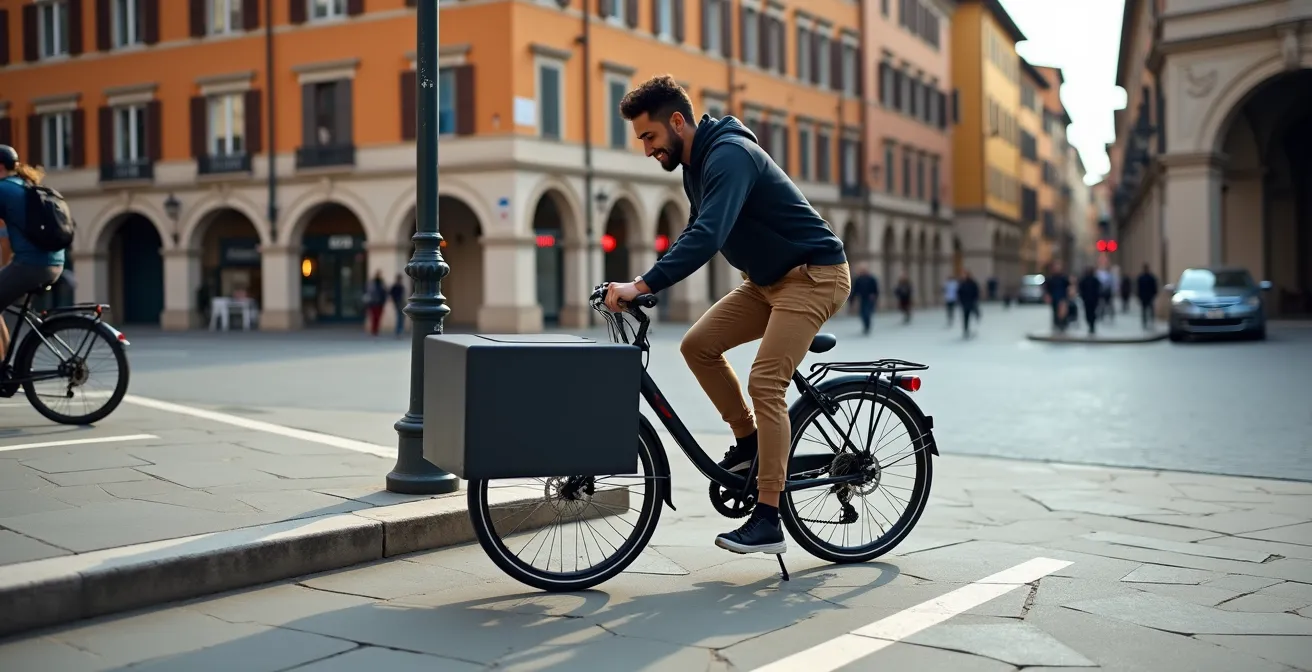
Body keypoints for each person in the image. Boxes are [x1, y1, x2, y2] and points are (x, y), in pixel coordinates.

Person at [605, 75, 850, 556]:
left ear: (678, 121)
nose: (648, 149)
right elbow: (696, 229)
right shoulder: (694, 167)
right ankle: (749, 442)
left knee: (766, 382)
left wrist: (643, 285)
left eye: (650, 137)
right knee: (697, 345)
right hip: (766, 282)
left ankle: (769, 517)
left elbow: (709, 235)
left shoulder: (730, 155)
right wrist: (642, 279)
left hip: (814, 275)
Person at [0, 146, 65, 367]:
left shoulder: (3, 188)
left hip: (31, 265)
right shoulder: (27, 185)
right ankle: (5, 366)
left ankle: (5, 366)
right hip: (54, 263)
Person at [849, 264, 879, 335]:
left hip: (869, 299)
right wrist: (851, 300)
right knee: (862, 314)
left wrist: (874, 296)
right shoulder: (858, 279)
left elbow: (875, 289)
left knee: (867, 313)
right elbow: (855, 290)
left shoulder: (871, 279)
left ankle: (867, 326)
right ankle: (866, 325)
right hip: (862, 298)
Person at [1045, 262, 1072, 332]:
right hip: (1054, 297)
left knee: (1063, 312)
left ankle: (1063, 324)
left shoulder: (1063, 278)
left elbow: (1069, 286)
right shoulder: (1051, 278)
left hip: (1062, 297)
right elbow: (1047, 288)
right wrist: (1048, 296)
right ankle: (1057, 324)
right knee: (1055, 311)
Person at [1078, 267, 1104, 336]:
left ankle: (1092, 325)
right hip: (1087, 299)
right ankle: (1090, 325)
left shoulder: (1095, 280)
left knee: (1092, 313)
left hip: (1093, 299)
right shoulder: (1084, 280)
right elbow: (1081, 289)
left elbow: (1099, 289)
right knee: (1088, 313)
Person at [958, 271, 980, 337]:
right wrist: (960, 301)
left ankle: (977, 314)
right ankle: (966, 330)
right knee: (965, 317)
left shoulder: (972, 283)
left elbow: (976, 291)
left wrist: (974, 299)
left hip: (971, 301)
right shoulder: (961, 283)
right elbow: (959, 292)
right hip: (964, 303)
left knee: (972, 312)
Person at [1137, 264, 1159, 329]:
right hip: (1144, 296)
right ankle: (1145, 322)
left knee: (1150, 309)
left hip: (1149, 296)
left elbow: (1154, 287)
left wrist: (1154, 294)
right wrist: (1139, 295)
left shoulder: (1151, 277)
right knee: (1144, 310)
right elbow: (1139, 287)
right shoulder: (1141, 277)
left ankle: (1151, 321)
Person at [365, 272, 386, 336]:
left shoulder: (381, 283)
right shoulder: (372, 283)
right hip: (373, 303)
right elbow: (369, 292)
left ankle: (376, 330)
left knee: (378, 317)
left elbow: (384, 293)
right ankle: (374, 330)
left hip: (379, 303)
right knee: (374, 317)